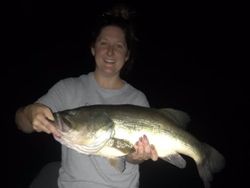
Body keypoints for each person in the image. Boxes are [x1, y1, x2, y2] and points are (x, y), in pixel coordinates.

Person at [15, 4, 158, 188]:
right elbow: (21, 123)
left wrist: (137, 156)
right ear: (93, 48)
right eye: (103, 43)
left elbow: (132, 158)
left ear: (127, 55)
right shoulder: (68, 88)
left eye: (119, 46)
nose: (110, 51)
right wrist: (29, 112)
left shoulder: (138, 99)